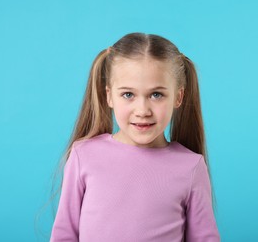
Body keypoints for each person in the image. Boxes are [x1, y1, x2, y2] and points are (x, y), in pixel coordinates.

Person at [50, 32, 221, 241]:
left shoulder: (191, 167)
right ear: (109, 96)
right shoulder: (83, 156)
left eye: (156, 94)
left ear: (178, 97)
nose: (142, 110)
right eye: (128, 95)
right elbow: (64, 235)